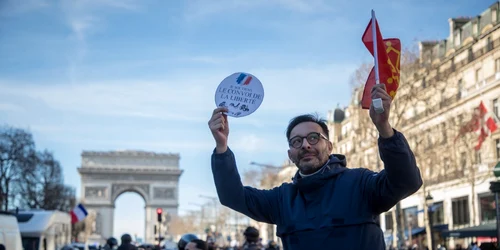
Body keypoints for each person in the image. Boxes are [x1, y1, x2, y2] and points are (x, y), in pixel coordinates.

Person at [207, 84, 423, 250]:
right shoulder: (282, 200)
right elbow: (232, 196)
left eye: (313, 137)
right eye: (296, 141)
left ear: (329, 146)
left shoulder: (360, 183)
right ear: (290, 155)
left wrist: (384, 128)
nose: (306, 145)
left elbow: (407, 181)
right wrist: (222, 146)